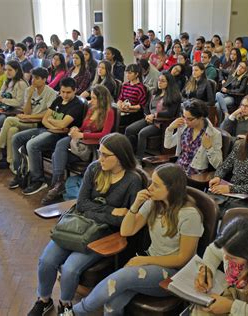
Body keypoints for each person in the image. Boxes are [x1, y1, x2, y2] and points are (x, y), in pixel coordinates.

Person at [27, 133, 145, 316]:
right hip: (77, 225)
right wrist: (110, 211)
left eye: (106, 155)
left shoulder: (133, 180)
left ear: (121, 156)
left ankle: (65, 304)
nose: (100, 158)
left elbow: (126, 219)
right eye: (100, 153)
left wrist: (100, 212)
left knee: (70, 269)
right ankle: (44, 300)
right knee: (46, 261)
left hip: (103, 235)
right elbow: (81, 204)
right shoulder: (94, 168)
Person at [71, 163, 204, 315]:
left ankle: (77, 312)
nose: (150, 188)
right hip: (151, 263)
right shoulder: (154, 203)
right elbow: (127, 230)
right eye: (151, 183)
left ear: (171, 189)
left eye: (156, 185)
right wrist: (135, 206)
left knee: (120, 279)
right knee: (112, 303)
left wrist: (145, 260)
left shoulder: (189, 215)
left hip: (174, 275)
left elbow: (183, 259)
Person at [9, 78, 85, 195]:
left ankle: (38, 180)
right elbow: (45, 119)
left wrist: (52, 124)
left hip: (59, 136)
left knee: (32, 145)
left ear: (75, 91)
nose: (64, 95)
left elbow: (63, 124)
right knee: (16, 138)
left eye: (68, 92)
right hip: (47, 130)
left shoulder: (77, 104)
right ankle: (20, 173)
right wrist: (53, 124)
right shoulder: (58, 99)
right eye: (62, 91)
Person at [42, 85, 116, 205]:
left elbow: (105, 134)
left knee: (58, 152)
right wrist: (76, 129)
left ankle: (57, 184)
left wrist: (82, 136)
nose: (91, 101)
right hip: (80, 142)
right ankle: (58, 183)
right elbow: (83, 127)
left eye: (94, 98)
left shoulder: (109, 112)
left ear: (102, 99)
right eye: (91, 98)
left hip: (92, 146)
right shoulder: (91, 108)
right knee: (59, 148)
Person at [0, 67, 57, 169]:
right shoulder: (29, 90)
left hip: (38, 122)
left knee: (9, 120)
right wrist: (29, 97)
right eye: (32, 78)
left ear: (44, 80)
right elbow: (26, 111)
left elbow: (48, 114)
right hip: (27, 120)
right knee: (12, 130)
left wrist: (29, 117)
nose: (33, 80)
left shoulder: (51, 93)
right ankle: (13, 164)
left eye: (37, 78)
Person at [126, 71, 182, 158]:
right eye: (159, 80)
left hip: (160, 123)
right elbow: (146, 106)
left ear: (169, 82)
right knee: (129, 129)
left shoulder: (174, 96)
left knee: (142, 133)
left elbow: (170, 113)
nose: (160, 82)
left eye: (163, 81)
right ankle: (130, 154)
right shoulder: (154, 93)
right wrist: (147, 115)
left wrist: (154, 115)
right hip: (149, 119)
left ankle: (139, 159)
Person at [165, 99, 222, 175]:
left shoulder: (214, 134)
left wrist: (209, 148)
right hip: (179, 168)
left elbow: (218, 165)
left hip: (195, 175)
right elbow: (168, 145)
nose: (185, 121)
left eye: (190, 119)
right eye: (184, 117)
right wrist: (170, 129)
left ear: (201, 117)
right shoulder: (184, 127)